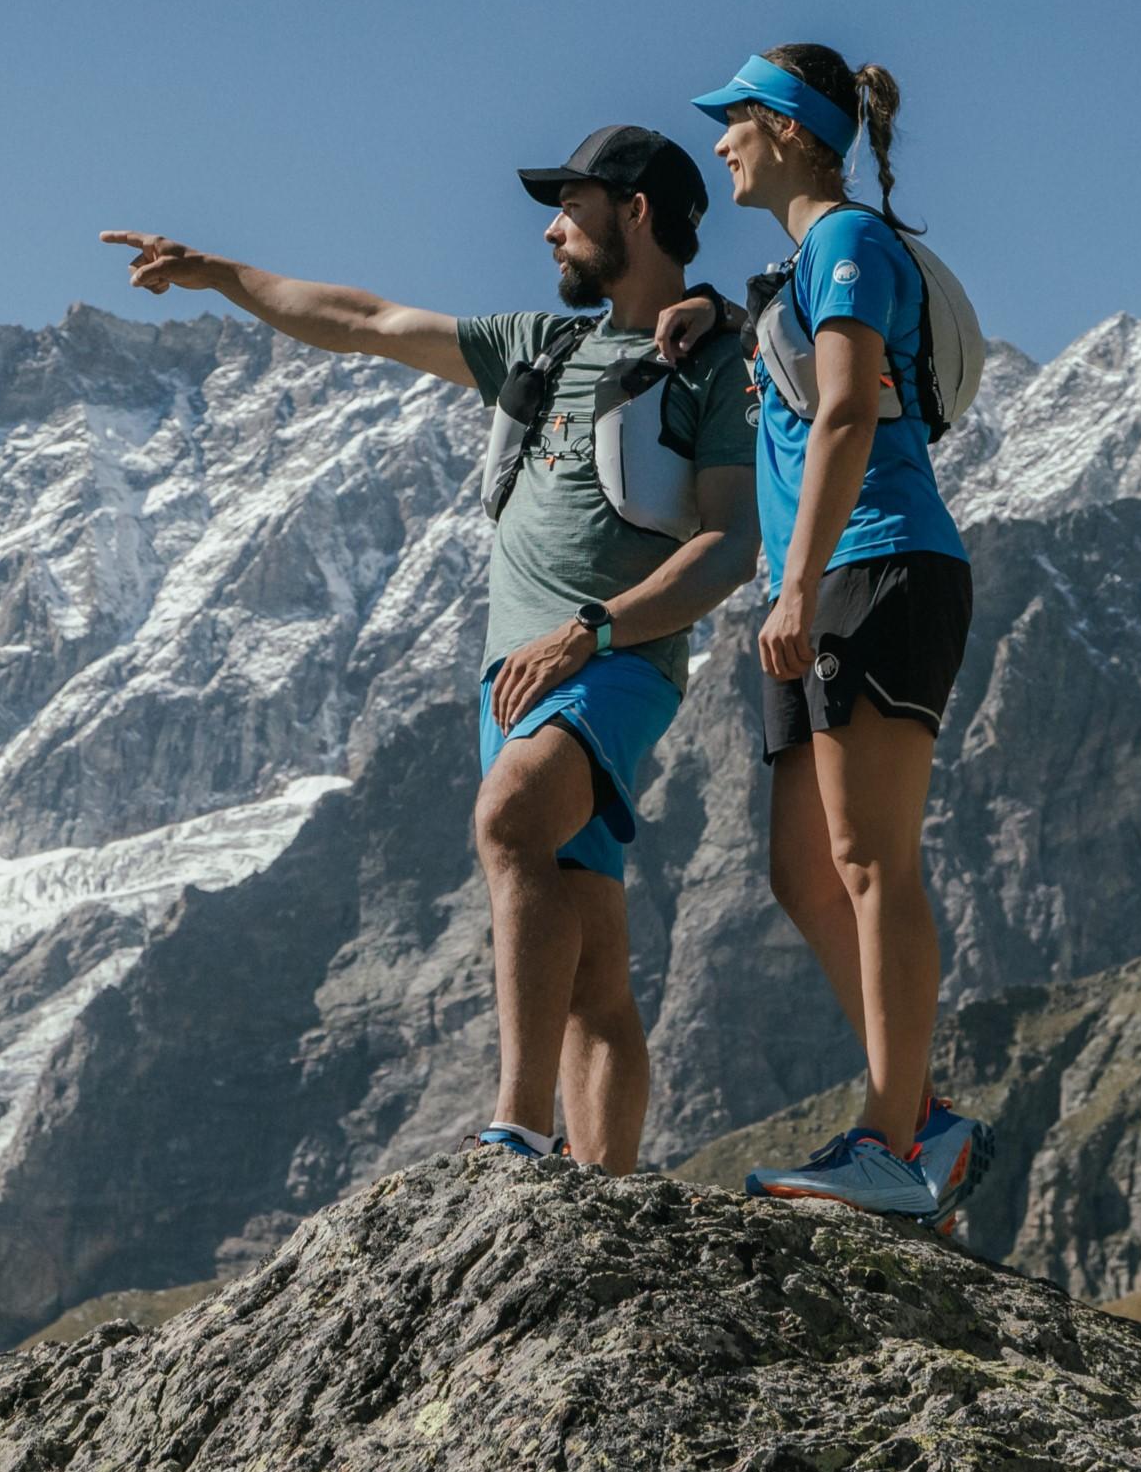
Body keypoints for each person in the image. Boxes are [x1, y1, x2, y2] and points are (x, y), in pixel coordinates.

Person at [102, 125, 758, 1174]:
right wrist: (222, 274)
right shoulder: (540, 348)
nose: (551, 229)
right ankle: (609, 1191)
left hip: (613, 663)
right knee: (592, 956)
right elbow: (363, 322)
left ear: (636, 213)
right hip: (515, 679)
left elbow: (731, 546)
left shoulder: (713, 365)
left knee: (507, 822)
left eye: (572, 207)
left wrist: (595, 628)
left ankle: (516, 1130)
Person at [653, 44, 992, 1225]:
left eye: (735, 121)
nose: (720, 143)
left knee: (867, 860)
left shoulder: (850, 242)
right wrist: (713, 306)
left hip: (878, 565)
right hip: (836, 576)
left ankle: (891, 1146)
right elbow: (789, 340)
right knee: (802, 872)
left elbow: (848, 407)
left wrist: (792, 587)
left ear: (793, 130)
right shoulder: (809, 259)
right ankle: (928, 1122)